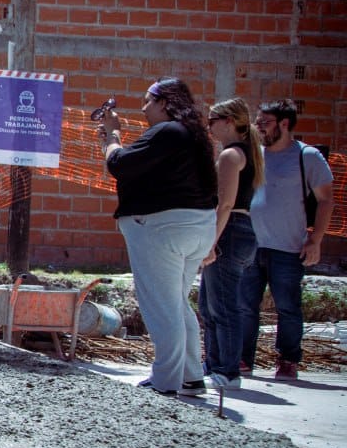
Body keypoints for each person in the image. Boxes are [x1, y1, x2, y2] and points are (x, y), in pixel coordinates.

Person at [98, 78, 217, 397]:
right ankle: (191, 376)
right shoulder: (191, 136)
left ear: (165, 102)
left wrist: (112, 136)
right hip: (196, 227)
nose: (143, 106)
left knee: (162, 307)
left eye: (148, 100)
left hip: (162, 229)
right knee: (177, 304)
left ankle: (166, 381)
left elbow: (120, 164)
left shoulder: (167, 132)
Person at [240, 99, 335, 381]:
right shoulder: (254, 154)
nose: (259, 129)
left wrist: (315, 240)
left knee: (288, 307)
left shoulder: (308, 157)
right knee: (245, 306)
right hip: (250, 245)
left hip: (288, 247)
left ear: (284, 124)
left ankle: (288, 359)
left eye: (265, 123)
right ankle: (244, 359)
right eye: (257, 123)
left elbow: (326, 200)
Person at [198, 99, 263, 392]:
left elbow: (225, 204)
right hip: (241, 231)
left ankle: (227, 370)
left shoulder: (230, 156)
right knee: (211, 304)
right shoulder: (246, 153)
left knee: (222, 306)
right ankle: (215, 364)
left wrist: (211, 242)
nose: (208, 126)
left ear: (228, 121)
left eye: (212, 120)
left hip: (229, 232)